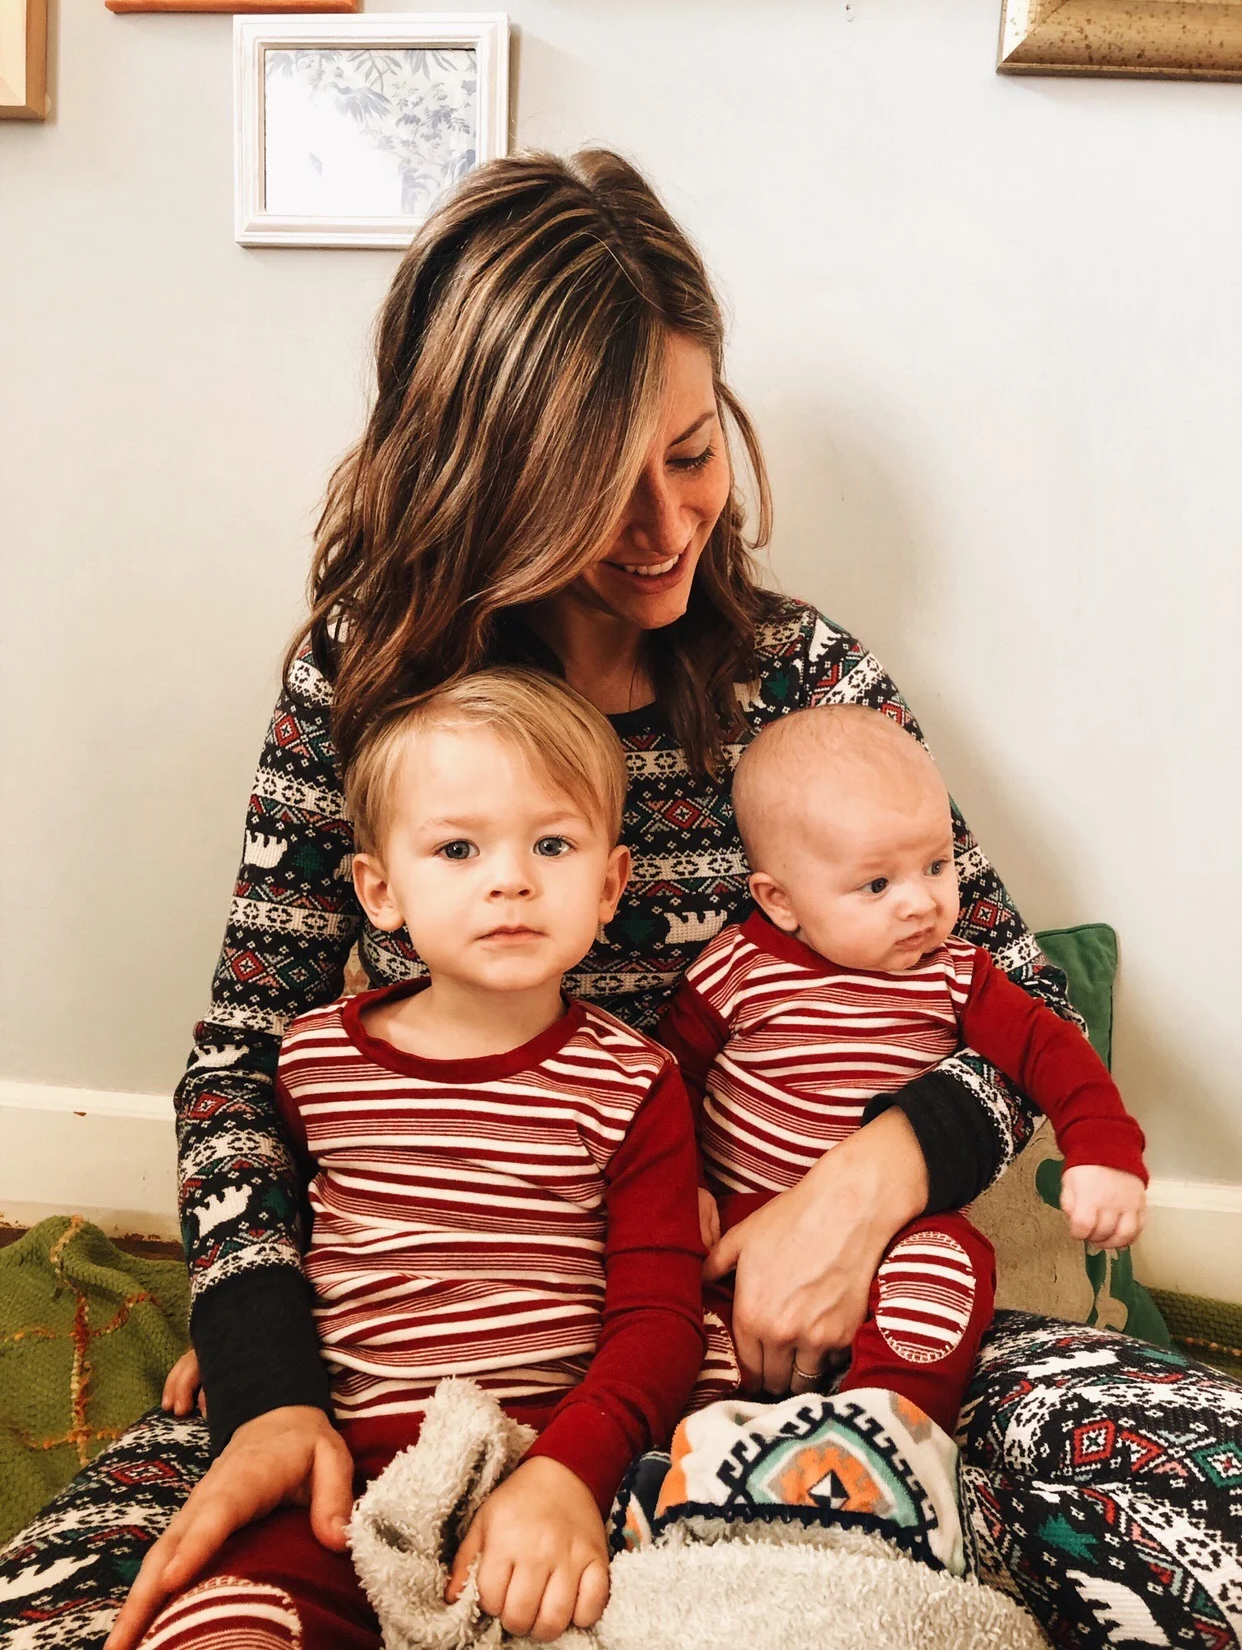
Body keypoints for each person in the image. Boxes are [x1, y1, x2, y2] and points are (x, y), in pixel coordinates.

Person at [3, 149, 1234, 1650]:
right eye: (594, 493)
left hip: (822, 1341)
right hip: (442, 1355)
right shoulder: (368, 683)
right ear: (486, 481)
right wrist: (264, 1364)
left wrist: (861, 1190)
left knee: (1206, 1497)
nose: (664, 529)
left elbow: (1016, 994)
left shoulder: (801, 682)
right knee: (101, 1612)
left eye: (692, 453)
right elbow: (242, 1058)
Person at [133, 668, 736, 1648]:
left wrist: (567, 1473)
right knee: (218, 1619)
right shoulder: (315, 1060)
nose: (511, 879)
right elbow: (289, 1228)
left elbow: (660, 1318)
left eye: (552, 845)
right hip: (347, 1472)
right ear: (380, 891)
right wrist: (250, 1334)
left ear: (610, 885)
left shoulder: (635, 1084)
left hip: (554, 1463)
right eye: (458, 848)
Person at [660, 703, 1147, 1459]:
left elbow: (1051, 1049)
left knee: (949, 1260)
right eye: (876, 884)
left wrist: (1104, 1150)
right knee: (677, 1314)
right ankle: (696, 1452)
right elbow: (668, 1083)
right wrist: (684, 1187)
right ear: (779, 900)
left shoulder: (957, 974)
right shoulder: (735, 969)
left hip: (900, 1236)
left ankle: (887, 1441)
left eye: (936, 866)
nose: (921, 903)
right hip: (740, 1228)